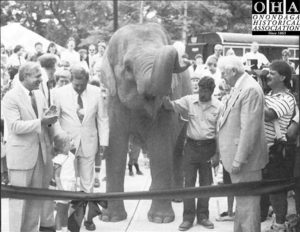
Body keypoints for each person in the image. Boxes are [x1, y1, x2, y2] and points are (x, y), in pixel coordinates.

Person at [2, 62, 58, 232]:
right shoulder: (10, 97)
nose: (41, 80)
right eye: (37, 76)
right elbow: (15, 127)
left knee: (35, 201)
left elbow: (43, 121)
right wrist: (41, 122)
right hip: (20, 158)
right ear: (25, 76)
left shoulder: (39, 95)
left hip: (40, 156)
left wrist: (49, 119)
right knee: (19, 203)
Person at [53, 64, 109, 230]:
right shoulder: (58, 93)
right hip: (66, 146)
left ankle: (88, 219)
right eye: (76, 84)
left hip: (89, 142)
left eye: (82, 84)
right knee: (65, 183)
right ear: (71, 80)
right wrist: (59, 139)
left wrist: (103, 142)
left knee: (87, 183)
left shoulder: (97, 92)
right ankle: (63, 222)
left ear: (87, 80)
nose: (79, 88)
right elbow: (54, 118)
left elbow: (102, 119)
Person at [163, 76, 223, 231]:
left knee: (206, 184)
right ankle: (188, 218)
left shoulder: (219, 106)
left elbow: (219, 132)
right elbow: (170, 106)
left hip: (208, 148)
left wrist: (217, 154)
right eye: (200, 89)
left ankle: (203, 216)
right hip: (191, 147)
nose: (202, 93)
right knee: (188, 183)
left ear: (212, 90)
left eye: (206, 90)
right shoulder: (189, 100)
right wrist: (164, 95)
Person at [217, 56, 268, 232]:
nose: (222, 76)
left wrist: (239, 160)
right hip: (240, 159)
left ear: (233, 71)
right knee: (243, 207)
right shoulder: (242, 86)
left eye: (223, 72)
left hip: (246, 161)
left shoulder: (250, 89)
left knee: (248, 208)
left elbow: (249, 129)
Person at [261, 60, 296, 231]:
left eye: (272, 73)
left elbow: (268, 115)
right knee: (269, 189)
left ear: (282, 77)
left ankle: (280, 225)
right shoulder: (269, 96)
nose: (267, 75)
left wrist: (254, 93)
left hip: (276, 151)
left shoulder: (286, 98)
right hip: (265, 150)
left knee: (277, 190)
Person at [53, 132, 76, 232]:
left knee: (66, 209)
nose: (71, 143)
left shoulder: (71, 156)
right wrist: (61, 189)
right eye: (68, 142)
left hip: (70, 186)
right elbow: (57, 176)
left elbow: (73, 172)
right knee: (60, 210)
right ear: (62, 146)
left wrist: (75, 185)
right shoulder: (58, 159)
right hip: (62, 187)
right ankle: (58, 229)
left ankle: (65, 227)